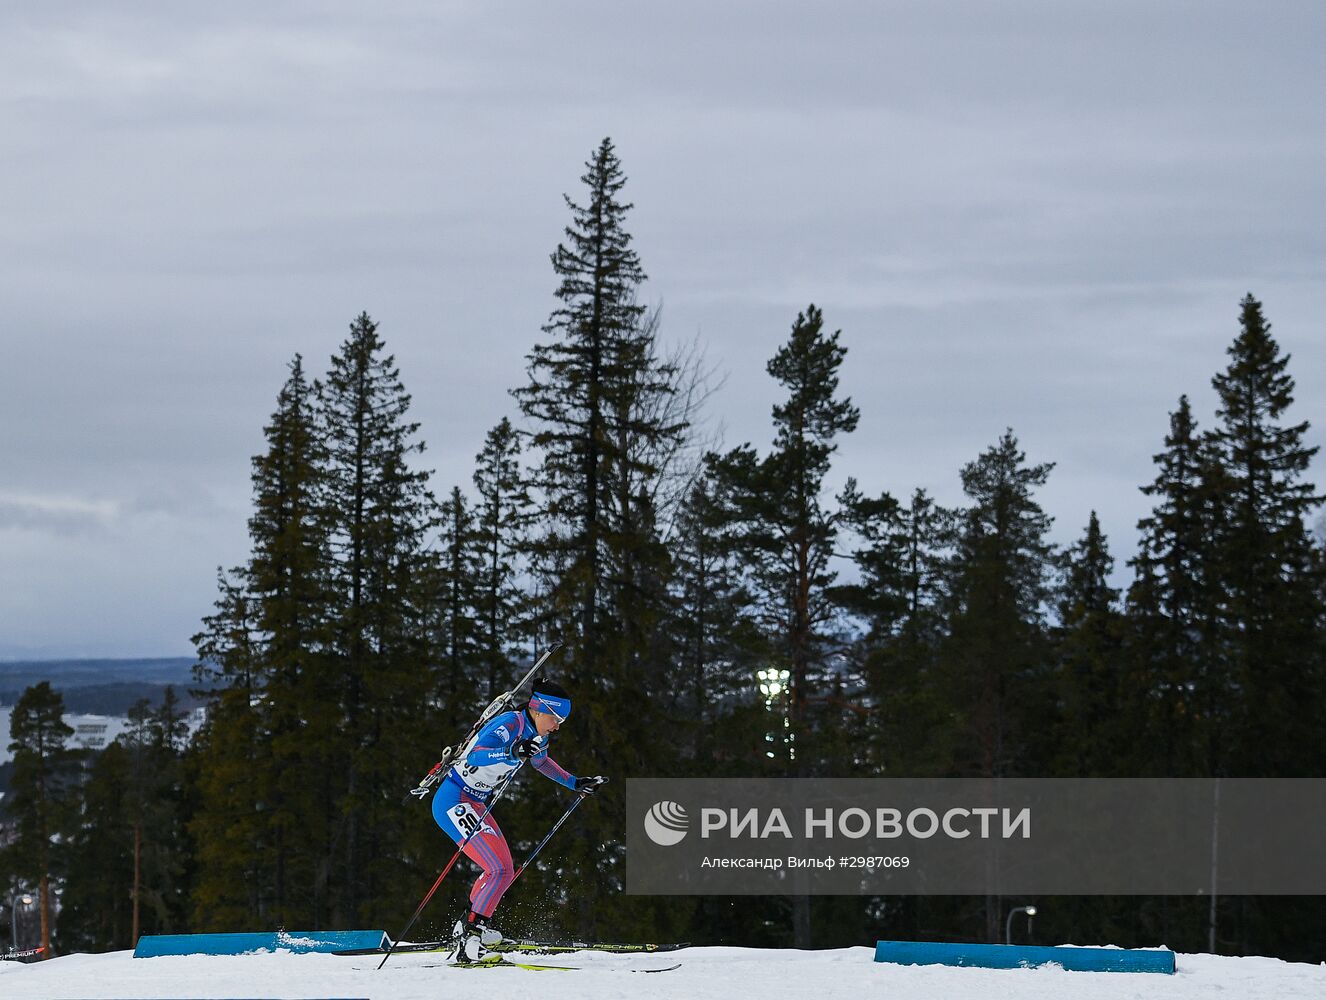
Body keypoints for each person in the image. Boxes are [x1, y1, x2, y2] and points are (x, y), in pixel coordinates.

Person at [432, 680, 606, 963]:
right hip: (454, 800)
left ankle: (471, 925)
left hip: (475, 802)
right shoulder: (509, 724)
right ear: (539, 709)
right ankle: (470, 937)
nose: (558, 726)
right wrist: (511, 752)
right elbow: (478, 753)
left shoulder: (538, 734)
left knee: (504, 870)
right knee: (497, 868)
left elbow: (541, 762)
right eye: (556, 718)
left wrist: (575, 783)